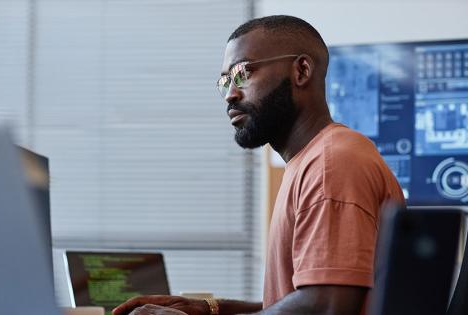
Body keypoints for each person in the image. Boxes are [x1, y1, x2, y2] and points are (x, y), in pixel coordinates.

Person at [112, 15, 405, 315]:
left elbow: (326, 306)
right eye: (225, 81)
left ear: (301, 71)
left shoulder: (332, 164)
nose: (230, 94)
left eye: (243, 73)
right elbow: (298, 300)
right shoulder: (314, 160)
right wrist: (209, 309)